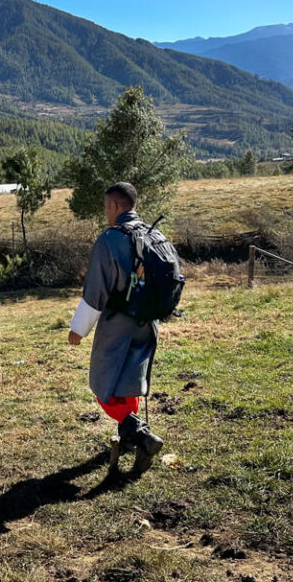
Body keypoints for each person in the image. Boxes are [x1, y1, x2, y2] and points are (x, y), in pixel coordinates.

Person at [67, 182, 164, 477]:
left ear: (115, 206)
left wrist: (77, 331)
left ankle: (142, 436)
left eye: (106, 206)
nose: (105, 212)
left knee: (103, 386)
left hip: (118, 325)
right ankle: (132, 435)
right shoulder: (154, 234)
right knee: (130, 380)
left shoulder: (109, 239)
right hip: (148, 322)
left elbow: (96, 292)